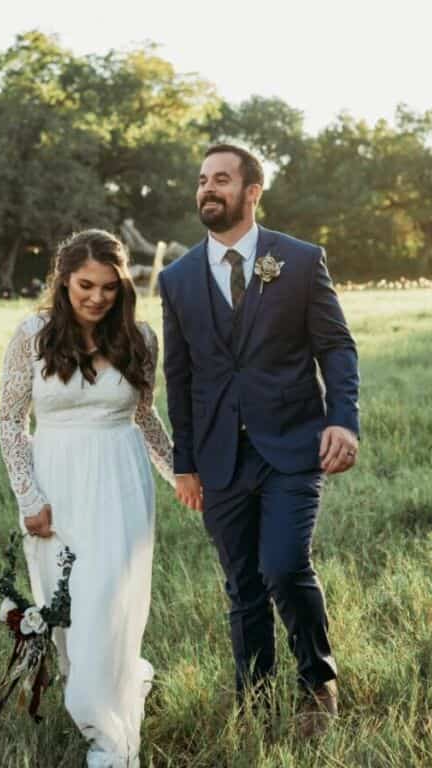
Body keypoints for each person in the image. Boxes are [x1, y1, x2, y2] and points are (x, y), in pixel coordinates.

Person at [158, 144, 360, 736]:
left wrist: (341, 420)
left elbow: (337, 347)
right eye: (201, 181)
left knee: (283, 565)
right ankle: (253, 699)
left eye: (221, 179)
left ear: (252, 191)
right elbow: (180, 376)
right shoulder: (176, 279)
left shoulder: (298, 260)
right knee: (242, 584)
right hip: (219, 455)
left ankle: (317, 683)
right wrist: (185, 462)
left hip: (293, 446)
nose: (207, 190)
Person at [0, 229, 174, 768]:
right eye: (85, 286)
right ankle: (105, 690)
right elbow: (10, 421)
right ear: (63, 281)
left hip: (121, 484)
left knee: (108, 604)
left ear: (123, 286)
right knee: (71, 617)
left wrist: (181, 475)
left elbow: (145, 419)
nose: (97, 298)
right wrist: (29, 495)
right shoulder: (33, 334)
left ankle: (107, 739)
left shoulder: (140, 337)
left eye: (108, 288)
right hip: (58, 486)